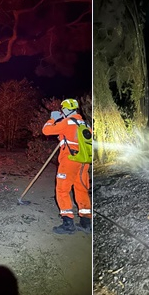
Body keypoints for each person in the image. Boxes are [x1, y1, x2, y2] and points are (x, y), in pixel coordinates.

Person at [42, 98, 92, 234]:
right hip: (84, 162)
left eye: (62, 109)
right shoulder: (85, 124)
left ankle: (68, 223)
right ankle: (86, 223)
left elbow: (46, 131)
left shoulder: (67, 122)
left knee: (62, 190)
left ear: (65, 109)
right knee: (81, 190)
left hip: (69, 161)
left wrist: (52, 119)